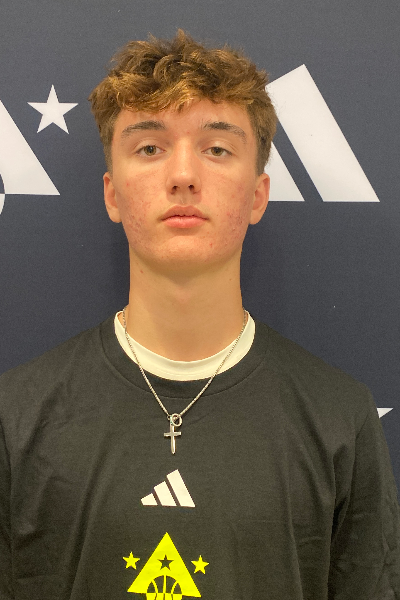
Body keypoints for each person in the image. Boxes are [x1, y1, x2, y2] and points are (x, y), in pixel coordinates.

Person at [0, 29, 399, 600]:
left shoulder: (340, 419)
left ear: (258, 194)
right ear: (111, 194)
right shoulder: (15, 418)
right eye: (150, 148)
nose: (183, 175)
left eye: (217, 149)